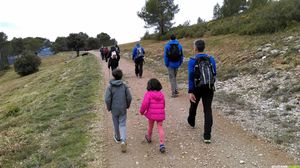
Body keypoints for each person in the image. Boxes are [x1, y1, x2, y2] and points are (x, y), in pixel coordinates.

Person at [187, 39, 217, 144]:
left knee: (193, 105)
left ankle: (191, 120)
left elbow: (191, 77)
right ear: (204, 47)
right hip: (209, 87)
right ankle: (207, 136)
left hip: (197, 87)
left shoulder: (192, 60)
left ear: (195, 48)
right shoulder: (211, 59)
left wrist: (190, 91)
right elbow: (214, 73)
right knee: (207, 110)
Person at [105, 69, 132, 152]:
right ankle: (123, 140)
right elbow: (129, 97)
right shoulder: (124, 86)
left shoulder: (110, 87)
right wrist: (127, 105)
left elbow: (107, 99)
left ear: (113, 76)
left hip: (114, 109)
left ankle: (117, 137)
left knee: (116, 123)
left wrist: (109, 107)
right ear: (121, 76)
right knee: (123, 124)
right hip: (123, 108)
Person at [140, 78, 166, 153]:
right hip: (160, 114)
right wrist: (161, 110)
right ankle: (162, 144)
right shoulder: (161, 94)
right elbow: (164, 104)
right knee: (160, 128)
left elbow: (144, 104)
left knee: (150, 126)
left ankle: (149, 137)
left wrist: (142, 112)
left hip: (151, 114)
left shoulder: (148, 94)